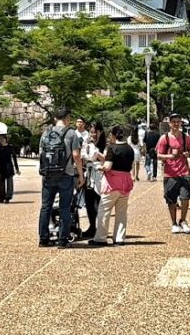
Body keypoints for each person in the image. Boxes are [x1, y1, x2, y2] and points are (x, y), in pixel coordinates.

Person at [38, 106, 83, 248]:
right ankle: (62, 240)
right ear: (67, 118)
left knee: (46, 207)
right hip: (66, 174)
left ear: (55, 118)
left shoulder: (46, 133)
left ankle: (43, 239)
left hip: (48, 175)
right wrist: (81, 175)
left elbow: (41, 153)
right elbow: (76, 155)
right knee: (65, 208)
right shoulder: (71, 134)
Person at [89, 125, 135, 246]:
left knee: (104, 210)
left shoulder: (112, 148)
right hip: (125, 182)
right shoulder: (129, 149)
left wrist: (100, 167)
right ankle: (119, 238)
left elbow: (108, 166)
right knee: (121, 212)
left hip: (112, 183)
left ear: (114, 135)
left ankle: (100, 238)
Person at [156, 113, 190, 234]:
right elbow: (158, 155)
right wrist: (170, 156)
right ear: (170, 123)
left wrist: (188, 153)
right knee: (171, 200)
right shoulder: (164, 138)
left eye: (178, 121)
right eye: (174, 122)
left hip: (184, 172)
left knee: (185, 198)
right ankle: (174, 223)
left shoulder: (185, 137)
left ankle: (183, 220)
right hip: (170, 173)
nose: (176, 124)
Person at [79, 122, 106, 239]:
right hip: (88, 172)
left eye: (95, 132)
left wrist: (95, 151)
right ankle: (92, 226)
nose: (93, 135)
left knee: (99, 201)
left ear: (100, 132)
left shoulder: (105, 144)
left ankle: (100, 228)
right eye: (91, 132)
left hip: (100, 173)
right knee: (89, 201)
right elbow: (83, 155)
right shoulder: (86, 142)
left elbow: (105, 159)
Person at [0, 134, 19, 203]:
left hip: (9, 166)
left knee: (9, 182)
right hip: (0, 166)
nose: (2, 140)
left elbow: (14, 158)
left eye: (3, 138)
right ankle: (1, 197)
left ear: (6, 139)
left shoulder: (10, 147)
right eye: (0, 139)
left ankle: (8, 196)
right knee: (1, 182)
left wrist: (17, 169)